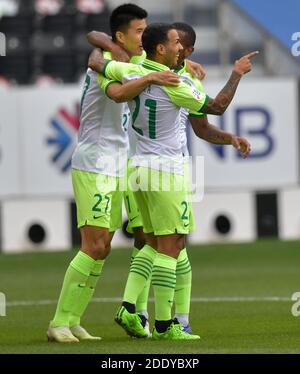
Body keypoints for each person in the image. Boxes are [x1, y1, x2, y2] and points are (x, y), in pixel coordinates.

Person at [90, 22, 256, 340]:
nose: (180, 48)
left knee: (151, 244)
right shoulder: (175, 83)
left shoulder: (133, 69)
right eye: (175, 43)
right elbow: (218, 107)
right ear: (161, 48)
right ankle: (167, 326)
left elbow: (97, 59)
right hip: (167, 171)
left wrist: (116, 61)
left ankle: (130, 307)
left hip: (138, 167)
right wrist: (237, 73)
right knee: (172, 246)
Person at [46, 4, 180, 343]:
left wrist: (183, 62)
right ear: (120, 36)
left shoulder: (130, 60)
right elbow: (99, 53)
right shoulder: (106, 61)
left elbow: (113, 45)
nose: (144, 36)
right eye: (138, 31)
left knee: (119, 242)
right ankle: (59, 322)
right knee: (94, 244)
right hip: (95, 162)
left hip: (122, 163)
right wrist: (147, 74)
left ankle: (82, 318)